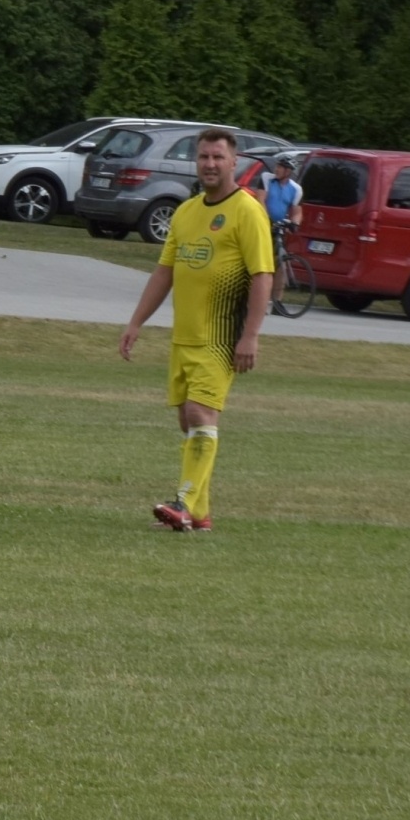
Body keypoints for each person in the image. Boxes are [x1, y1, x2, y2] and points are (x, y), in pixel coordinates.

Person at [118, 128, 273, 534]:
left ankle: (183, 504)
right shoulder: (186, 212)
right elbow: (165, 271)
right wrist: (136, 322)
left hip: (221, 339)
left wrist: (251, 335)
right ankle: (200, 516)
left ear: (233, 162)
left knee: (200, 414)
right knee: (189, 425)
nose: (210, 164)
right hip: (183, 339)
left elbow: (262, 275)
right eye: (204, 157)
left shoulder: (247, 211)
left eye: (218, 157)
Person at [262, 153, 304, 315]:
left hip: (279, 228)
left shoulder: (296, 189)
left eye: (280, 167)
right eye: (277, 166)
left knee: (281, 265)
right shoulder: (266, 178)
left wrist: (294, 223)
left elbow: (297, 211)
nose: (276, 169)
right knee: (261, 263)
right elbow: (260, 200)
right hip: (263, 225)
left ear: (288, 171)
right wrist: (266, 221)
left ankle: (277, 303)